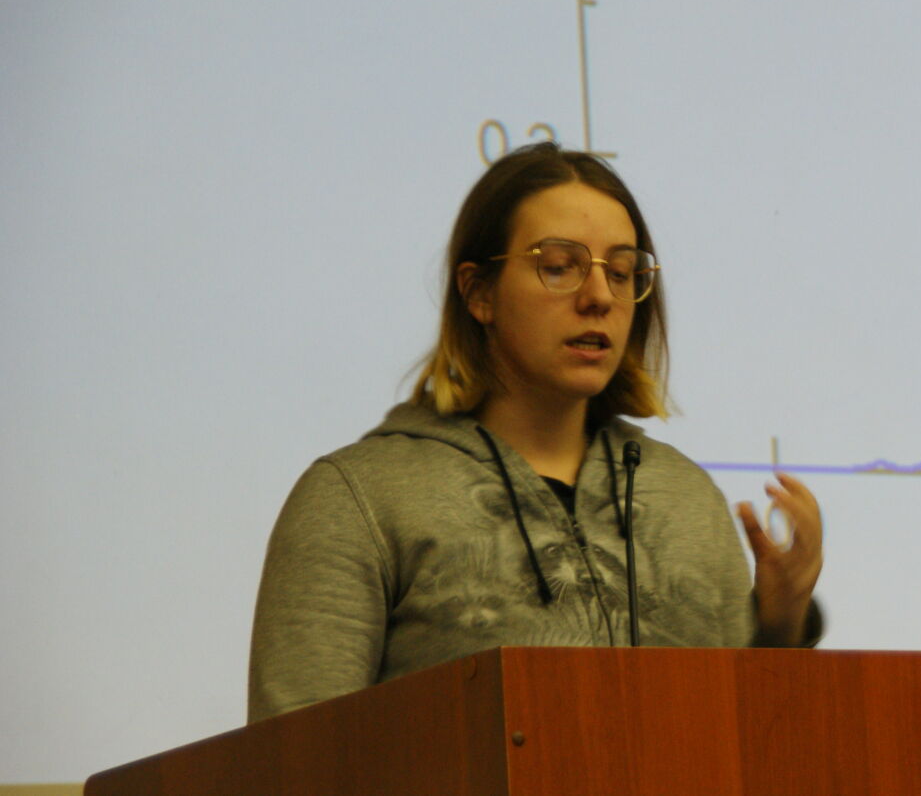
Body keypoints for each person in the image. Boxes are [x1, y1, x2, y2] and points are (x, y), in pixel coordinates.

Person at [247, 142, 823, 722]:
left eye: (621, 273)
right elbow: (295, 758)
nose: (599, 297)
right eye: (559, 267)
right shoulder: (359, 498)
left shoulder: (687, 500)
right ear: (479, 293)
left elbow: (744, 743)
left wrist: (779, 629)